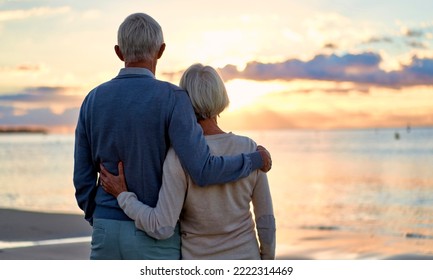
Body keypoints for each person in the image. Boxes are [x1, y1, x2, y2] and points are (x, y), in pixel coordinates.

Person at [73, 13, 272, 260]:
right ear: (161, 50)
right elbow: (202, 169)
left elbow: (82, 177)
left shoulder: (92, 100)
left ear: (119, 52)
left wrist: (98, 216)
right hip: (153, 237)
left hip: (106, 229)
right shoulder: (173, 98)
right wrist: (254, 160)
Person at [100, 64, 276, 260]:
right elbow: (265, 221)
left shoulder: (178, 156)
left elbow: (162, 226)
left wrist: (123, 196)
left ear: (185, 102)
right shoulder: (251, 149)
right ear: (220, 95)